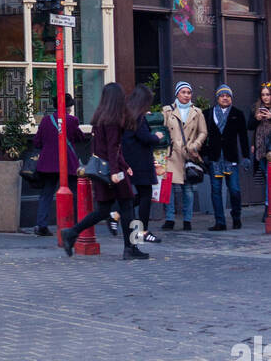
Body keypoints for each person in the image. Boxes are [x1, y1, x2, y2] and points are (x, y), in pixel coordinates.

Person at [62, 82, 148, 261]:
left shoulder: (100, 118)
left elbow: (103, 148)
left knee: (103, 210)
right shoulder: (113, 121)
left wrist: (124, 164)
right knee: (127, 206)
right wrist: (118, 171)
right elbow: (113, 148)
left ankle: (72, 232)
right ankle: (130, 248)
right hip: (112, 170)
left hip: (102, 170)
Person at [31, 92, 85, 236]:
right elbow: (80, 137)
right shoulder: (72, 121)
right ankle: (75, 225)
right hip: (67, 163)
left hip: (48, 164)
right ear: (69, 107)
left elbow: (37, 141)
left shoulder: (46, 120)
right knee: (74, 192)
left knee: (46, 194)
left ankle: (41, 225)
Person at [161, 81, 207, 231]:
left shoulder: (197, 112)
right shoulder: (167, 111)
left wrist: (196, 145)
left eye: (189, 92)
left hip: (189, 154)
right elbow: (160, 129)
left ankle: (187, 220)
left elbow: (203, 132)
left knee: (188, 189)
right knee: (170, 188)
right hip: (172, 154)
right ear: (177, 93)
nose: (186, 95)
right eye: (183, 92)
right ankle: (170, 219)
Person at [123, 84, 166, 244]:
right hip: (141, 162)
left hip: (131, 160)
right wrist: (157, 136)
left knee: (138, 195)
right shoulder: (138, 118)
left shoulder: (128, 115)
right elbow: (145, 137)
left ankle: (117, 215)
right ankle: (143, 231)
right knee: (145, 196)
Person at [203, 85, 249, 231]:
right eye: (222, 95)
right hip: (215, 157)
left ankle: (236, 217)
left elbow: (243, 137)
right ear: (217, 98)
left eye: (227, 96)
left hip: (231, 157)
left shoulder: (238, 113)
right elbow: (203, 136)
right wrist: (204, 155)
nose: (225, 98)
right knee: (215, 190)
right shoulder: (208, 114)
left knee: (234, 189)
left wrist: (246, 156)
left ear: (231, 98)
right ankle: (220, 222)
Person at [248, 82, 271, 221]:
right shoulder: (256, 108)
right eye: (263, 95)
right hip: (261, 148)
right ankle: (267, 209)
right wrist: (257, 119)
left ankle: (268, 209)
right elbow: (250, 127)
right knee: (267, 177)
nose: (265, 97)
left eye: (268, 94)